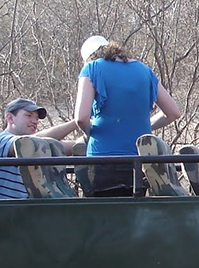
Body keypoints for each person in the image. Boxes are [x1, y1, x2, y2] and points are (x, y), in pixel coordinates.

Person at [74, 35, 181, 197]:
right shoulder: (144, 70)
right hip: (139, 160)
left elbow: (81, 118)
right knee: (134, 209)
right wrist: (139, 126)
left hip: (102, 157)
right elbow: (173, 113)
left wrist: (90, 132)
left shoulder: (91, 68)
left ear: (89, 57)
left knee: (103, 211)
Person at [0, 98, 79, 199]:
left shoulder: (37, 144)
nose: (35, 121)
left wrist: (86, 139)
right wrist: (77, 122)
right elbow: (27, 143)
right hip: (8, 206)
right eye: (28, 115)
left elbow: (69, 146)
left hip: (29, 205)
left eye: (36, 118)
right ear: (10, 118)